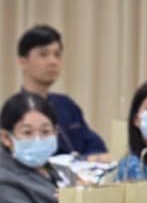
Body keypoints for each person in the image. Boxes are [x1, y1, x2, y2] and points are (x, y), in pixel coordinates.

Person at [17, 25, 107, 159]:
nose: (53, 61)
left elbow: (95, 144)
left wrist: (94, 157)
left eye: (57, 55)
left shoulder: (65, 104)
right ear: (23, 62)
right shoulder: (15, 109)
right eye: (43, 54)